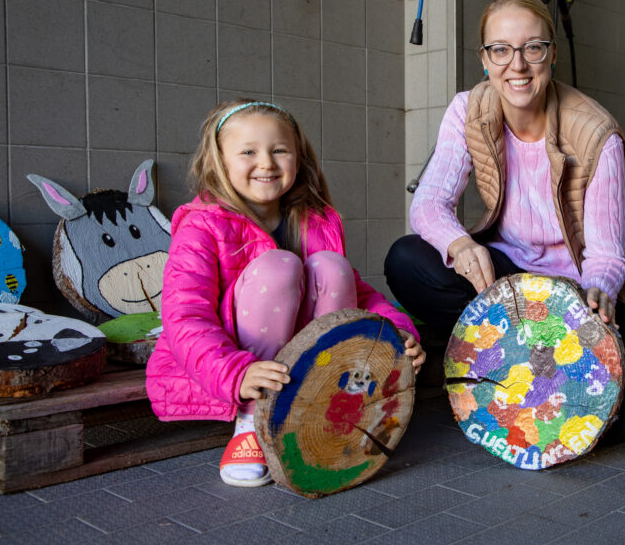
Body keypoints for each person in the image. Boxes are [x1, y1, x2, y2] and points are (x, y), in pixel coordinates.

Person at [385, 0, 625, 442]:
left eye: (532, 48)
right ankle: (502, 359)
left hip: (572, 291)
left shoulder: (598, 134)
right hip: (506, 280)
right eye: (501, 49)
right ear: (485, 59)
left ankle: (527, 366)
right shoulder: (470, 109)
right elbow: (428, 203)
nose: (517, 65)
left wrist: (596, 296)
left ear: (552, 55)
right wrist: (462, 245)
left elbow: (607, 253)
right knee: (407, 259)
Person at [146, 100, 425, 487]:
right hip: (238, 366)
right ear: (219, 162)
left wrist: (397, 332)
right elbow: (185, 315)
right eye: (248, 151)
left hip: (313, 363)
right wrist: (234, 372)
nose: (267, 162)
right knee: (278, 267)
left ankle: (325, 405)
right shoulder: (202, 227)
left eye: (279, 150)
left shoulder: (314, 220)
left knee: (332, 266)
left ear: (298, 157)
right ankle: (254, 419)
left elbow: (359, 295)